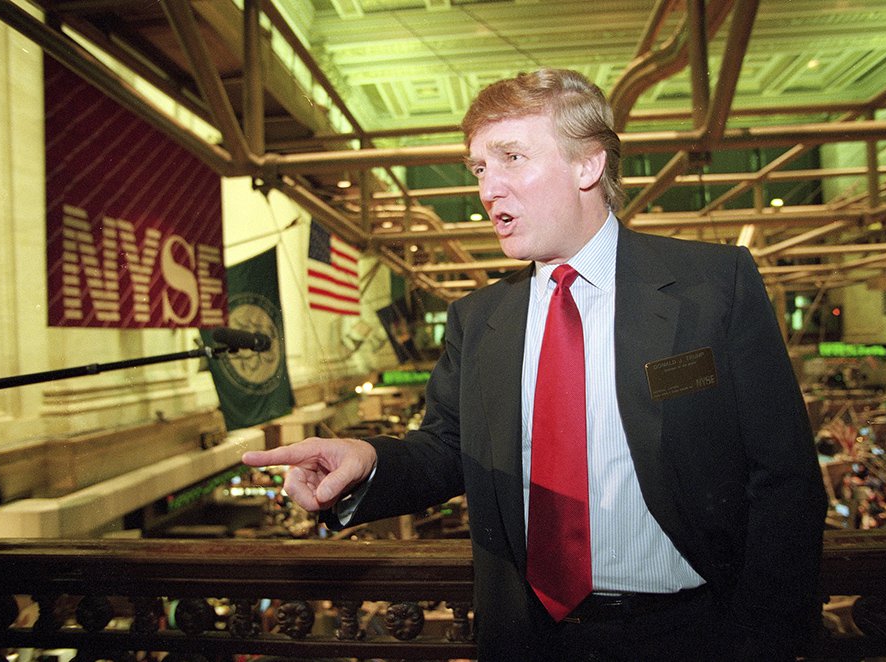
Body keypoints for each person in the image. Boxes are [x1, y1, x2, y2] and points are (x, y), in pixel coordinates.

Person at [243, 68, 827, 661]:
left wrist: (766, 639)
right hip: (529, 639)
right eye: (479, 168)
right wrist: (368, 460)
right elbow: (447, 450)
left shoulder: (712, 287)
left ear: (587, 166)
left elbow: (784, 477)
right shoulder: (477, 319)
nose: (488, 189)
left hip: (692, 635)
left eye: (511, 157)